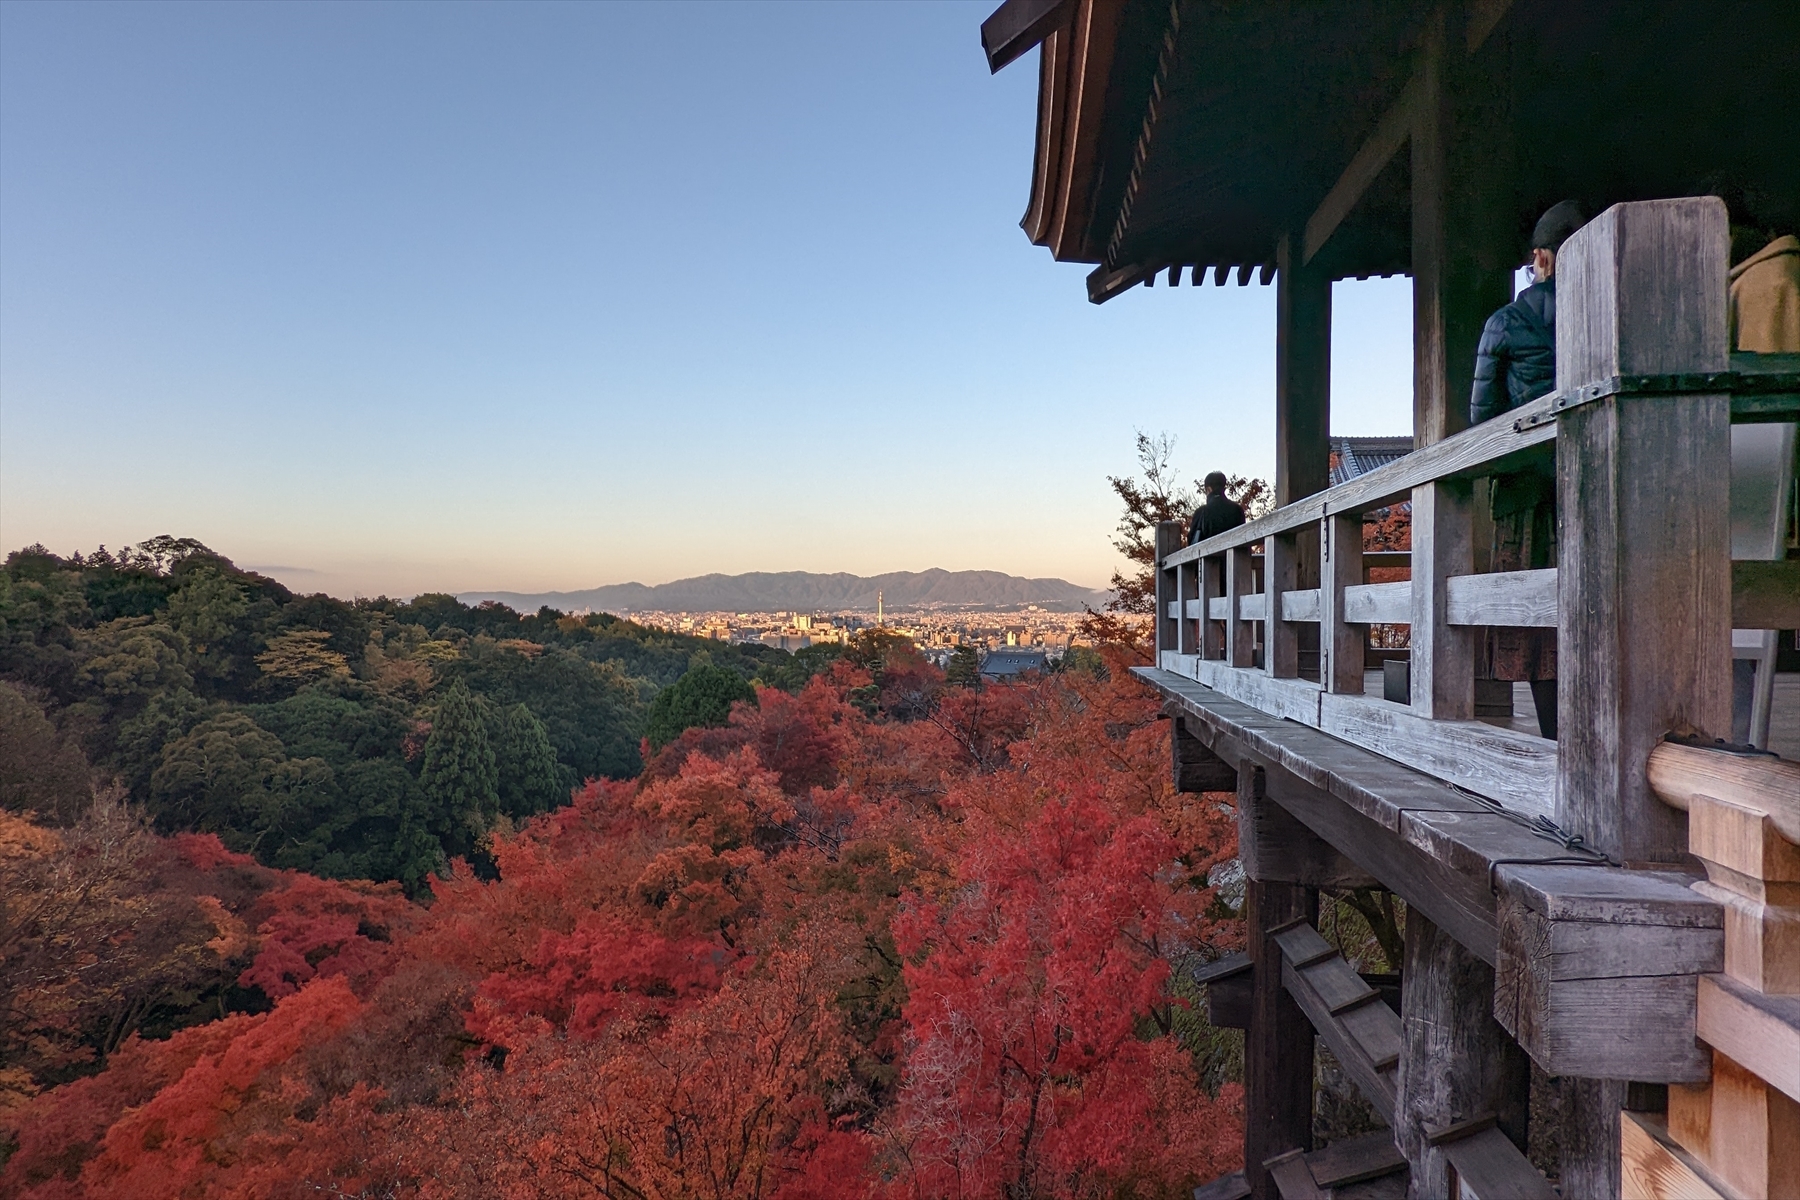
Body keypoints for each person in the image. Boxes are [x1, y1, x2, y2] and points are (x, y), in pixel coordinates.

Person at [1468, 201, 1585, 739]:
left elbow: (1482, 418)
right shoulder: (1611, 311)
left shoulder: (1505, 324)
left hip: (1524, 489)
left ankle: (1554, 739)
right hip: (1596, 482)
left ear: (1540, 258)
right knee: (1600, 608)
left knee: (1537, 624)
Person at [1186, 471, 1246, 546]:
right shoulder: (1237, 510)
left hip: (1208, 556)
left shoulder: (1201, 512)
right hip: (1236, 556)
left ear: (1209, 489)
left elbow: (1191, 539)